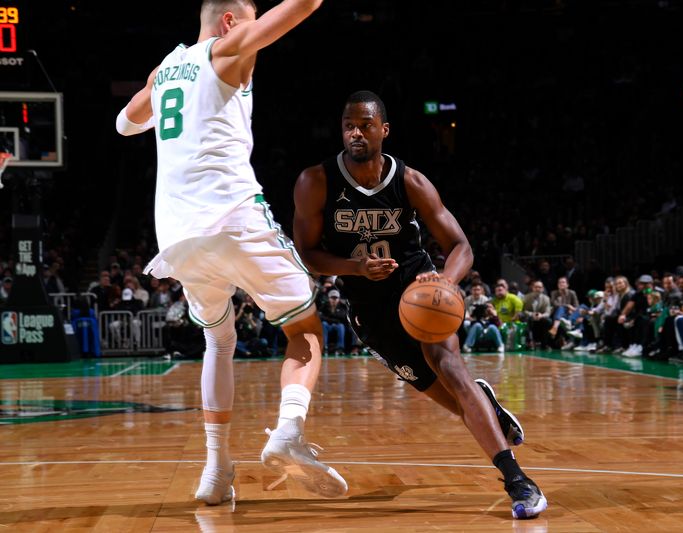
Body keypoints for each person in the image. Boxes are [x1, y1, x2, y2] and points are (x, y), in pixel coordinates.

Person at [115, 0, 346, 505]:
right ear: (229, 22)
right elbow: (302, 6)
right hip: (234, 217)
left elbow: (124, 125)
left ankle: (217, 470)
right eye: (250, 21)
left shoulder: (167, 67)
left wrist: (163, 94)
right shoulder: (226, 49)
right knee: (305, 327)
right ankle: (288, 431)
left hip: (178, 236)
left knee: (219, 340)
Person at [291, 90, 546, 519]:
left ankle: (518, 481)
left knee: (450, 370)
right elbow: (307, 254)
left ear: (384, 130)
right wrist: (355, 270)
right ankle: (485, 406)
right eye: (349, 125)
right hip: (368, 309)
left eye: (365, 124)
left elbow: (460, 245)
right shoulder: (315, 182)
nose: (355, 132)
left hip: (418, 291)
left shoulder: (410, 182)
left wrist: (444, 281)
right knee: (451, 400)